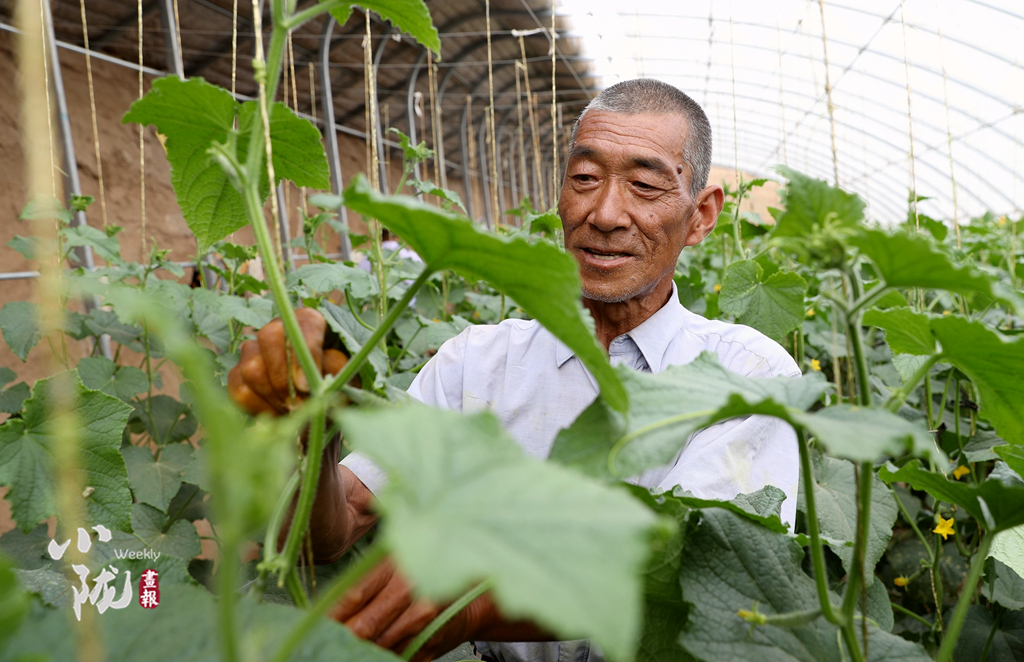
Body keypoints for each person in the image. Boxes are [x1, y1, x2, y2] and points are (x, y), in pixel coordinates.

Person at [228, 78, 801, 662]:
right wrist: (312, 439)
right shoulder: (474, 363)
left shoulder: (749, 377)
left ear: (701, 216)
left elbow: (698, 576)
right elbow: (337, 523)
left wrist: (481, 601)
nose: (604, 213)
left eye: (646, 185)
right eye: (584, 178)